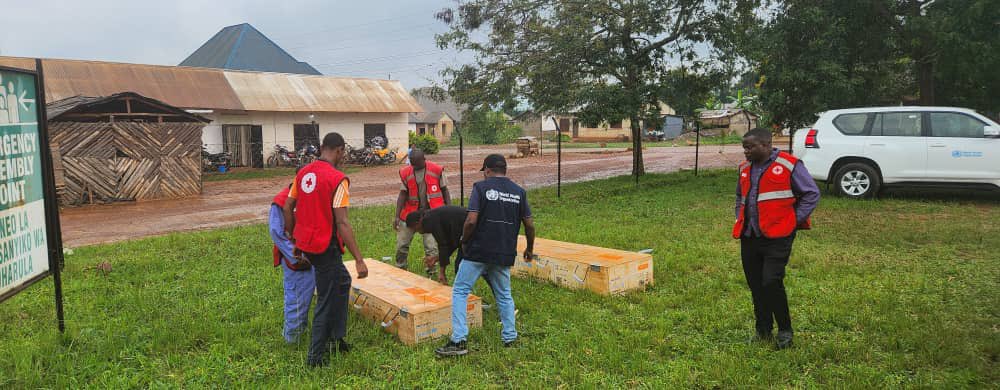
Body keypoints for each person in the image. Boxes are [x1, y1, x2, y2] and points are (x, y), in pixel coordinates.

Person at [283, 132, 370, 367]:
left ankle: (336, 338)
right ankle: (315, 357)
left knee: (342, 281)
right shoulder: (338, 179)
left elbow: (288, 206)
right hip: (325, 247)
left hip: (308, 244)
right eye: (343, 153)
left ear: (322, 147)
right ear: (339, 150)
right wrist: (359, 259)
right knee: (325, 299)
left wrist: (294, 237)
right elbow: (342, 222)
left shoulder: (303, 173)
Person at [436, 154, 535, 357]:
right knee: (504, 295)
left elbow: (471, 220)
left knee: (460, 291)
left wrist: (464, 240)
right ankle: (510, 337)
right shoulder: (519, 192)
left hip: (478, 251)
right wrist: (529, 248)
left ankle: (459, 340)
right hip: (504, 251)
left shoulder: (480, 188)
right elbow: (529, 225)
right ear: (504, 170)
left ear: (487, 170)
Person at [734, 128, 819, 350]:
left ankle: (785, 330)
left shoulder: (790, 165)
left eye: (750, 147)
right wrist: (739, 217)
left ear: (766, 145)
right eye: (744, 147)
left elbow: (811, 194)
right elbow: (740, 196)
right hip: (749, 235)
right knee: (756, 285)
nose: (746, 151)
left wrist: (792, 221)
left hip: (778, 237)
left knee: (771, 281)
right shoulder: (744, 168)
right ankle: (763, 330)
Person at [269, 183, 315, 344]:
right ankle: (292, 339)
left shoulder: (310, 196)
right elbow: (276, 232)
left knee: (309, 298)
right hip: (296, 261)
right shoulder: (281, 201)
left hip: (314, 256)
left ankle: (305, 332)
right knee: (296, 300)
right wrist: (296, 257)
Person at [393, 149, 450, 277]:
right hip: (410, 214)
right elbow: (402, 194)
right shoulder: (406, 172)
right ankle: (400, 269)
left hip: (431, 214)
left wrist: (448, 210)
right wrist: (397, 216)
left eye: (417, 163)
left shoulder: (436, 170)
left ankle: (432, 273)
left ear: (424, 159)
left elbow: (445, 191)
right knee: (402, 244)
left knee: (431, 247)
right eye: (412, 163)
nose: (415, 166)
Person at [404, 205, 468, 284]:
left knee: (461, 267)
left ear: (418, 223)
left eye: (415, 229)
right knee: (467, 265)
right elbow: (451, 243)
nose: (417, 232)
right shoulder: (430, 216)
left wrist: (442, 273)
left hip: (472, 230)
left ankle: (462, 290)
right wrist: (437, 258)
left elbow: (443, 245)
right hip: (465, 232)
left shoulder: (430, 221)